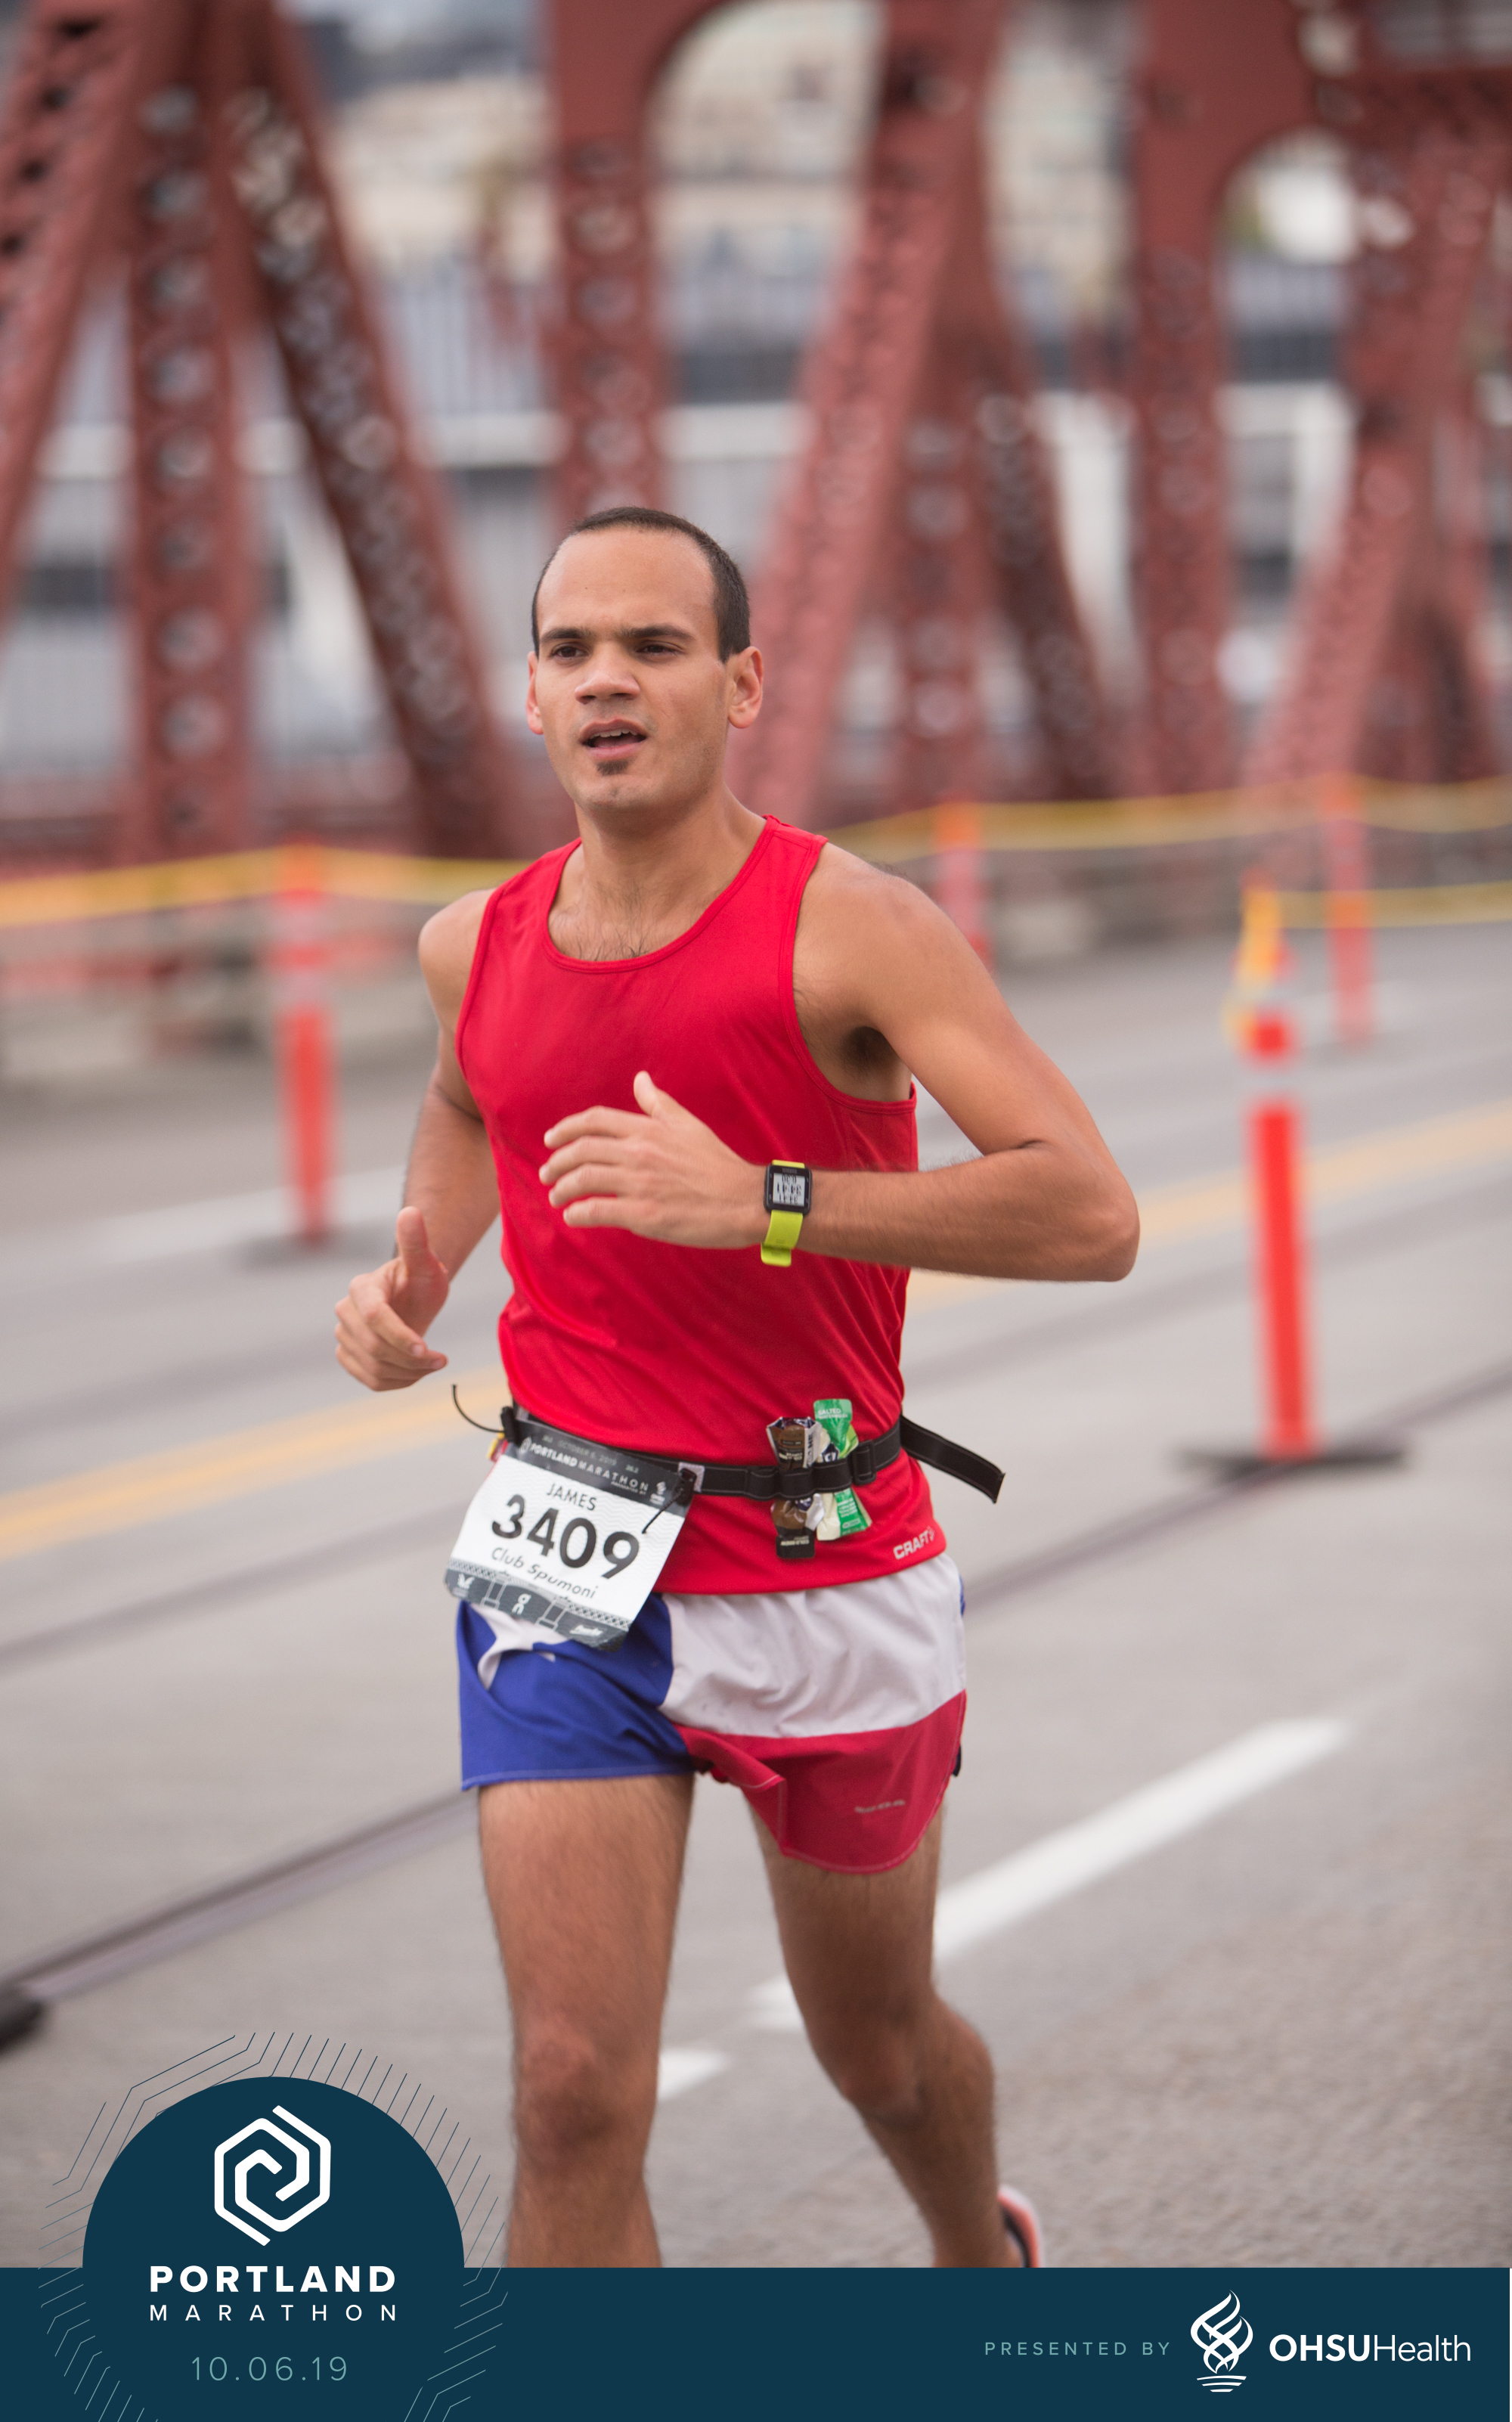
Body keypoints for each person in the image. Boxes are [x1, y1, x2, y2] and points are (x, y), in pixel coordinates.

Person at [335, 506, 1139, 2269]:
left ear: (742, 682)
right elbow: (473, 1096)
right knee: (569, 2092)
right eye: (570, 651)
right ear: (530, 695)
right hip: (568, 1551)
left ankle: (977, 2262)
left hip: (825, 1560)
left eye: (654, 645)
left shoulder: (855, 931)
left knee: (880, 2054)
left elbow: (1091, 1215)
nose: (606, 681)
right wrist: (420, 1273)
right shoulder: (474, 942)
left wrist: (763, 1202)